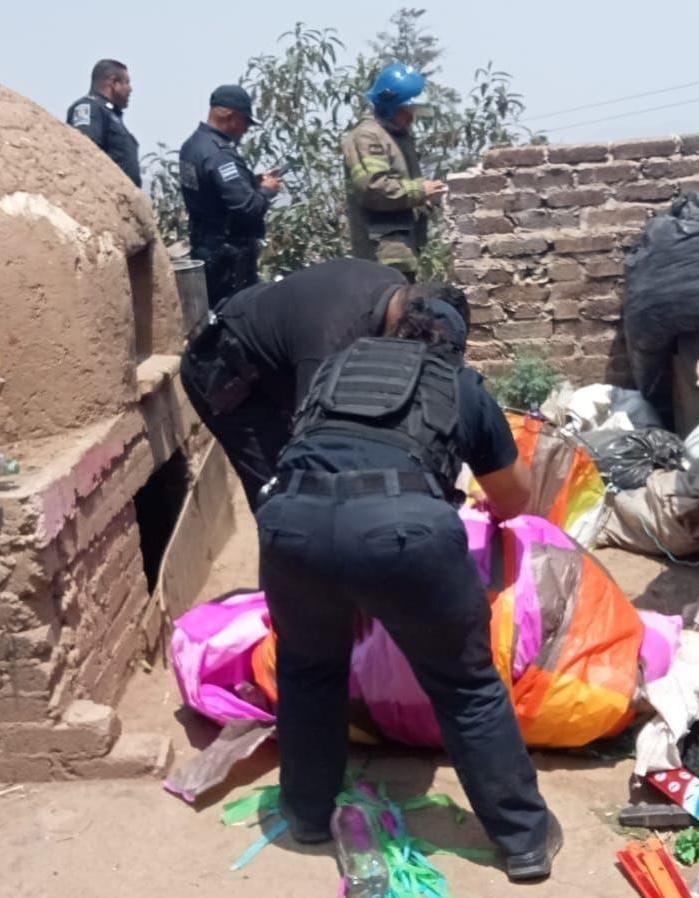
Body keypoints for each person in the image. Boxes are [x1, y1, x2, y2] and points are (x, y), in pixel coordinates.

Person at [256, 299, 562, 883]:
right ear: (456, 343)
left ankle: (308, 815)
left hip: (291, 523)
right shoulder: (461, 386)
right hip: (402, 534)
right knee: (465, 686)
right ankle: (524, 839)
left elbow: (316, 446)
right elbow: (515, 500)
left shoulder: (333, 369)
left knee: (308, 669)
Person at [179, 257, 469, 510]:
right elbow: (317, 440)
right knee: (287, 495)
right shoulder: (332, 342)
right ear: (414, 322)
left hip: (276, 363)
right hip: (227, 377)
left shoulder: (393, 288)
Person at [341, 62, 447, 281]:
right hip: (381, 254)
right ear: (390, 106)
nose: (412, 117)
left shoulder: (398, 137)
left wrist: (426, 199)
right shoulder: (367, 137)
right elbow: (373, 189)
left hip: (402, 249)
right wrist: (419, 191)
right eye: (407, 110)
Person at [178, 85, 281, 307]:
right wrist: (267, 190)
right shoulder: (220, 155)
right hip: (228, 261)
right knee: (240, 318)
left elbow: (211, 192)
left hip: (204, 246)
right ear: (231, 117)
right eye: (245, 122)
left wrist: (252, 181)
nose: (245, 130)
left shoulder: (192, 145)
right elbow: (248, 208)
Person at [67, 59, 141, 187]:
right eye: (126, 83)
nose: (130, 89)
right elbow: (85, 150)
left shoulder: (110, 113)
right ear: (113, 83)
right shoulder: (89, 108)